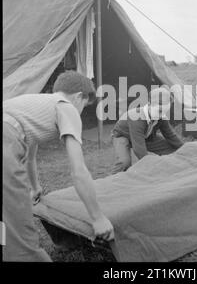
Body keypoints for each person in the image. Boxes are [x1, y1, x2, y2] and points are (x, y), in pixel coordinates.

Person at [3, 71, 114, 262]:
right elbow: (78, 170)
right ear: (80, 97)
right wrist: (98, 218)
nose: (80, 112)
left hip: (10, 133)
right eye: (84, 107)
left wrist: (35, 186)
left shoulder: (35, 105)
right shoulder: (66, 106)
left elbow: (30, 157)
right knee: (22, 238)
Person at [111, 87, 184, 173]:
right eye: (159, 111)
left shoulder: (161, 116)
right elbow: (139, 148)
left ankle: (172, 171)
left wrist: (185, 149)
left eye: (165, 111)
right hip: (122, 136)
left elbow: (170, 136)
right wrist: (149, 165)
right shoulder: (136, 118)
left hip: (145, 135)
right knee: (124, 162)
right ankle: (113, 181)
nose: (162, 115)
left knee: (173, 150)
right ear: (149, 104)